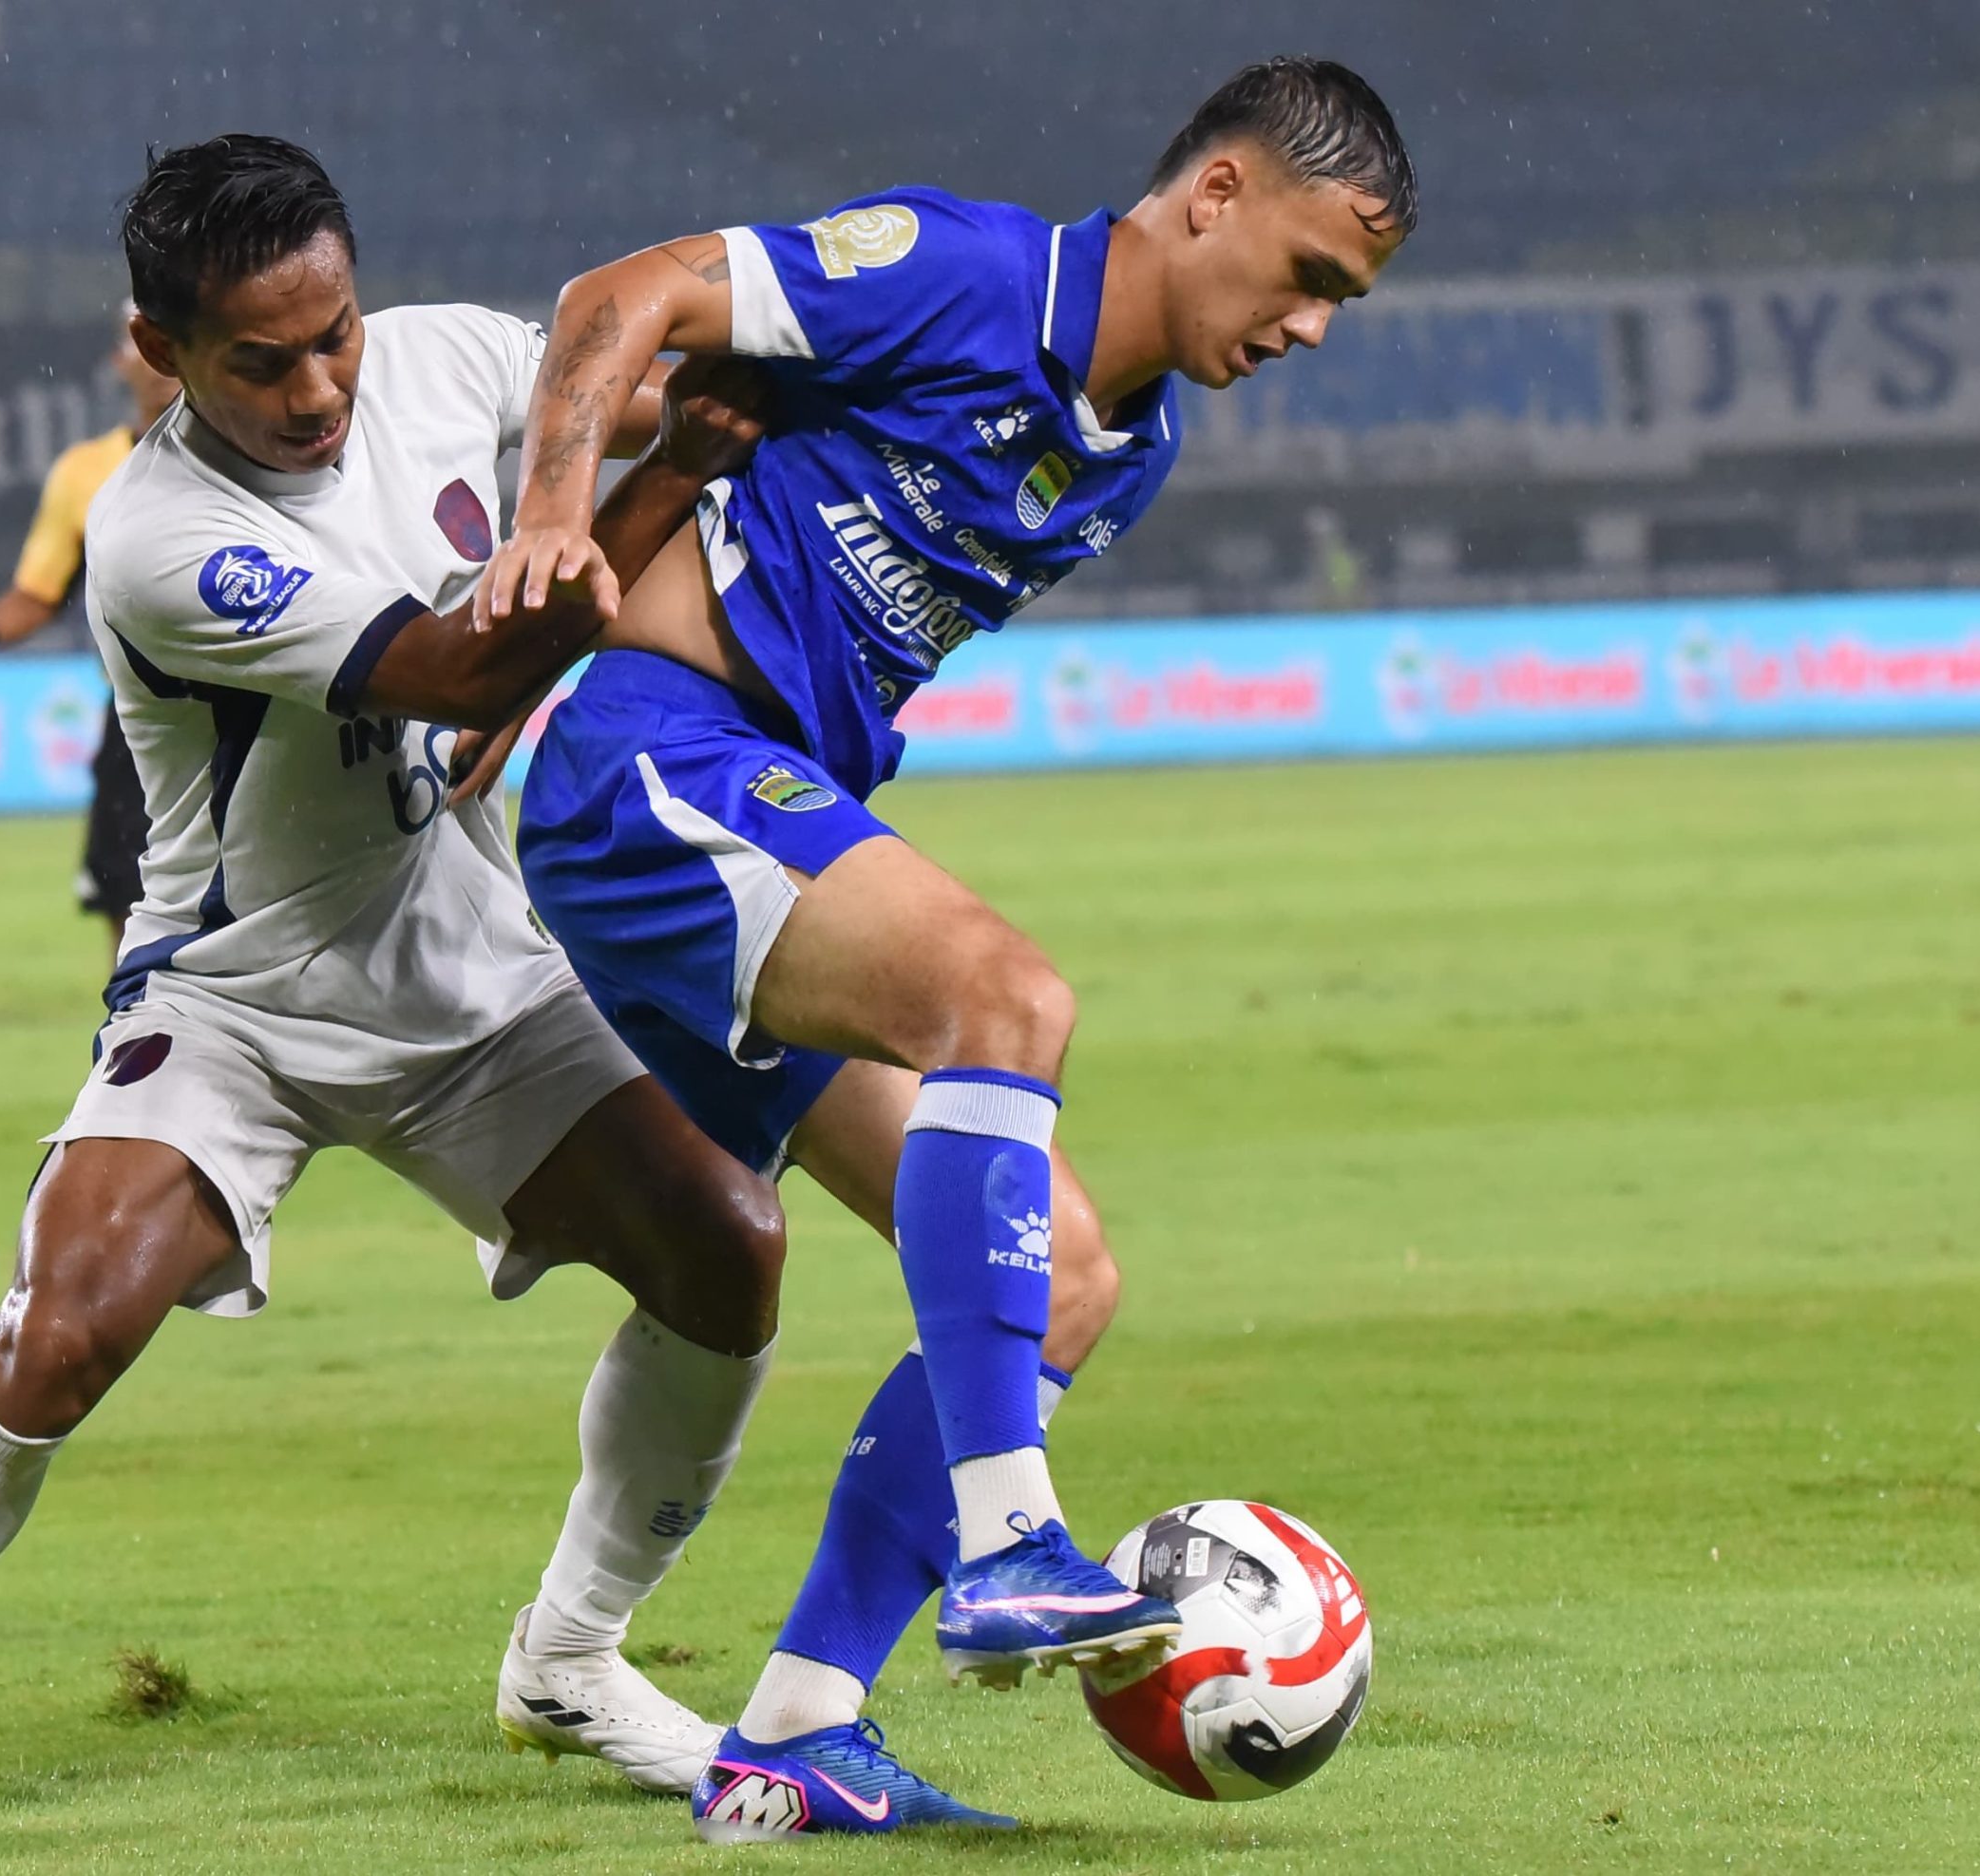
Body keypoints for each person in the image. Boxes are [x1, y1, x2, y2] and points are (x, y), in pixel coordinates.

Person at [0, 135, 788, 1861]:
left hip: (470, 966)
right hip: (236, 1001)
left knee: (729, 1248)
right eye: (260, 361)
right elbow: (462, 671)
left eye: (334, 334)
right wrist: (666, 483)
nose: (319, 389)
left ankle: (572, 1660)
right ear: (163, 350)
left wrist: (748, 376)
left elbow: (650, 374)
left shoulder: (446, 355)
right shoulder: (158, 535)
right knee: (58, 1333)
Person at [489, 56, 1417, 1836]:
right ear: (1215, 193)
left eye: (1342, 305)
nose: (1309, 326)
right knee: (1007, 996)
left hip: (754, 813)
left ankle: (797, 1728)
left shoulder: (1132, 451)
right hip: (650, 766)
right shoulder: (966, 272)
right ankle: (1011, 1535)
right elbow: (624, 295)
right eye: (1310, 274)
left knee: (1065, 1275)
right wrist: (552, 525)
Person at [0, 313, 180, 944]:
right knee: (128, 897)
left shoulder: (253, 448)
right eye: (144, 342)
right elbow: (39, 593)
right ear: (124, 360)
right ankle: (138, 1008)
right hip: (141, 715)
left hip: (250, 701)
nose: (160, 358)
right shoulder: (86, 473)